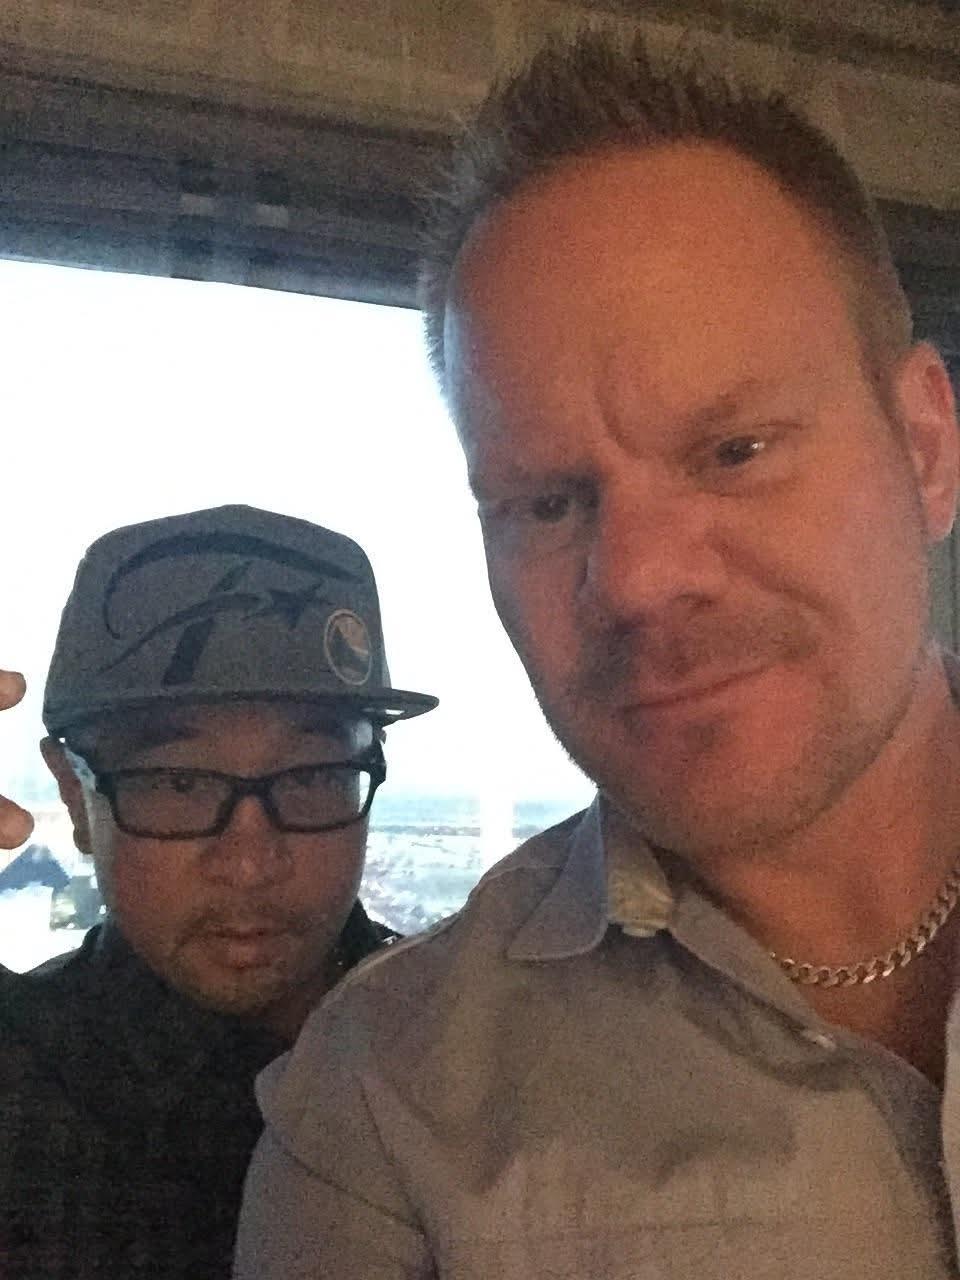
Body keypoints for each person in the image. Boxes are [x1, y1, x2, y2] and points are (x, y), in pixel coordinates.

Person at [235, 28, 960, 1280]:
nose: (635, 577)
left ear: (926, 448)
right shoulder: (385, 1110)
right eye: (548, 501)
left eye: (733, 451)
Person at [0, 503, 436, 1279]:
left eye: (309, 777)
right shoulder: (20, 1086)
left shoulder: (485, 1059)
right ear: (73, 795)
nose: (249, 863)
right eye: (176, 783)